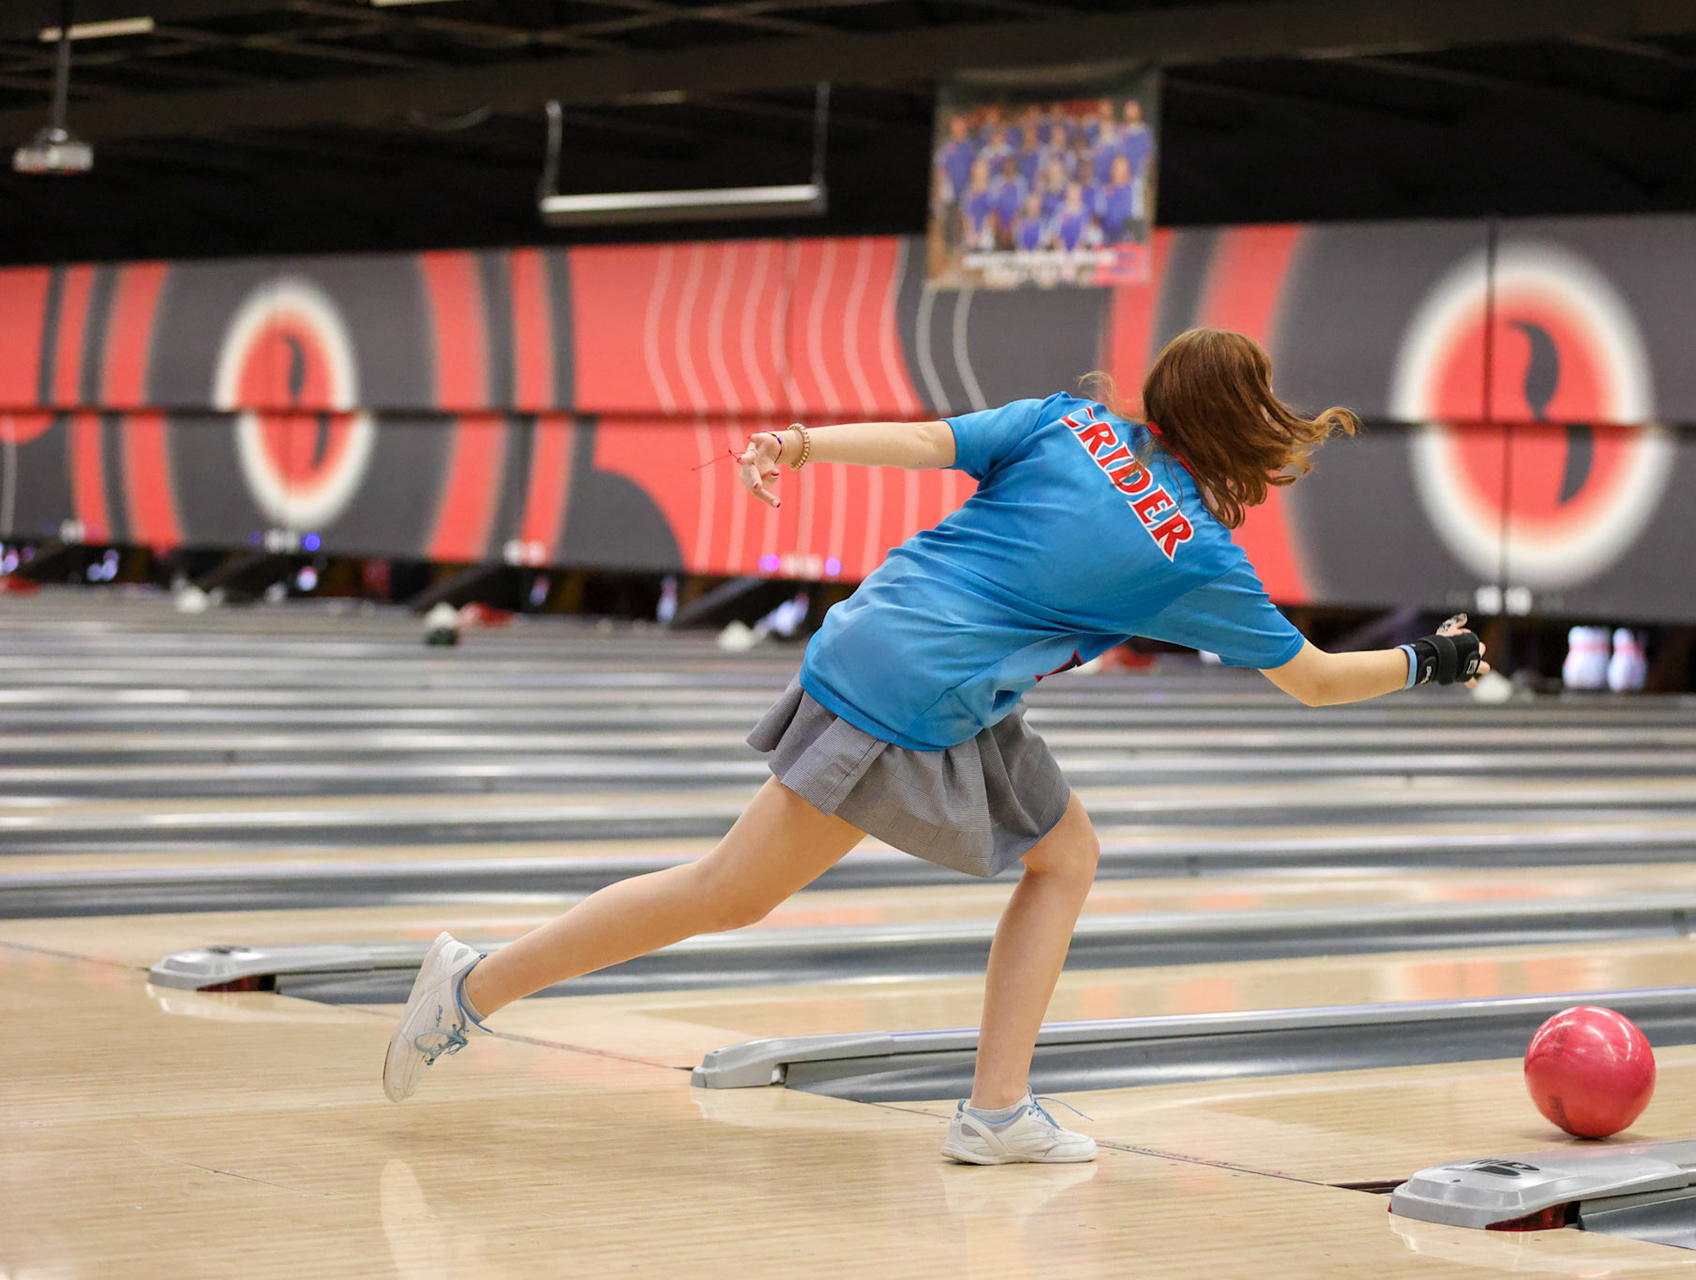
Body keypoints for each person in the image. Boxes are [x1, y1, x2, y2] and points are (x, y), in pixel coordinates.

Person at [380, 328, 1489, 1165]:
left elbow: (924, 440)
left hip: (896, 641)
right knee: (729, 890)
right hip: (917, 689)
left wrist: (800, 443)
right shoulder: (1193, 552)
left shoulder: (1073, 422)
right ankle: (476, 980)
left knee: (1065, 854)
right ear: (1247, 424)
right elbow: (1315, 678)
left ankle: (997, 1109)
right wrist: (1434, 662)